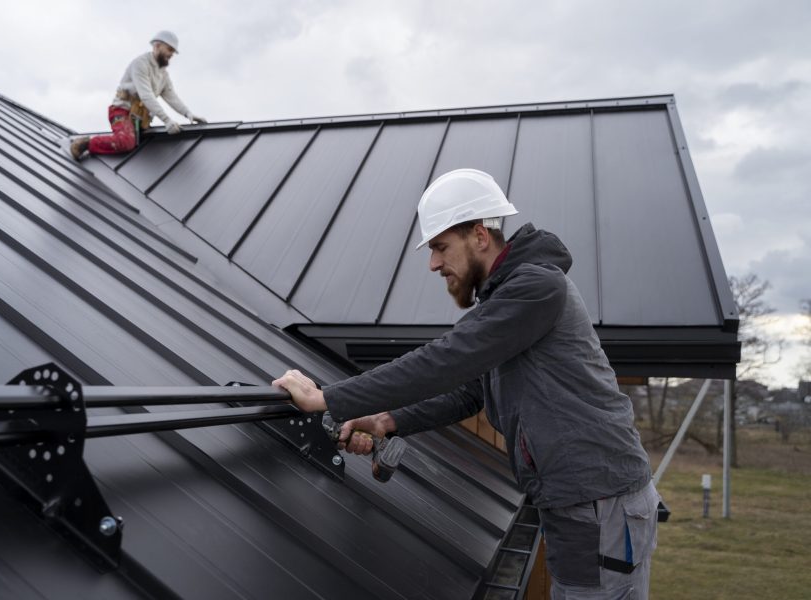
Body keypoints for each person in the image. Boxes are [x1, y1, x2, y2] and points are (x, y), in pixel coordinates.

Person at [274, 168, 661, 599]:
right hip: (580, 500)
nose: (433, 263)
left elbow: (446, 360)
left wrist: (325, 398)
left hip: (600, 501)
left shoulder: (536, 287)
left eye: (440, 247)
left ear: (479, 235)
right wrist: (385, 420)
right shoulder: (510, 298)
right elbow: (470, 390)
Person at [68, 30, 206, 161]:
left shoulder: (163, 74)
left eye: (173, 52)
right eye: (169, 49)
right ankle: (86, 144)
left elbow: (171, 96)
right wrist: (166, 120)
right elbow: (146, 96)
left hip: (139, 119)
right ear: (157, 46)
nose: (171, 54)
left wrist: (188, 113)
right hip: (121, 112)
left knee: (149, 142)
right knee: (126, 142)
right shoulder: (140, 64)